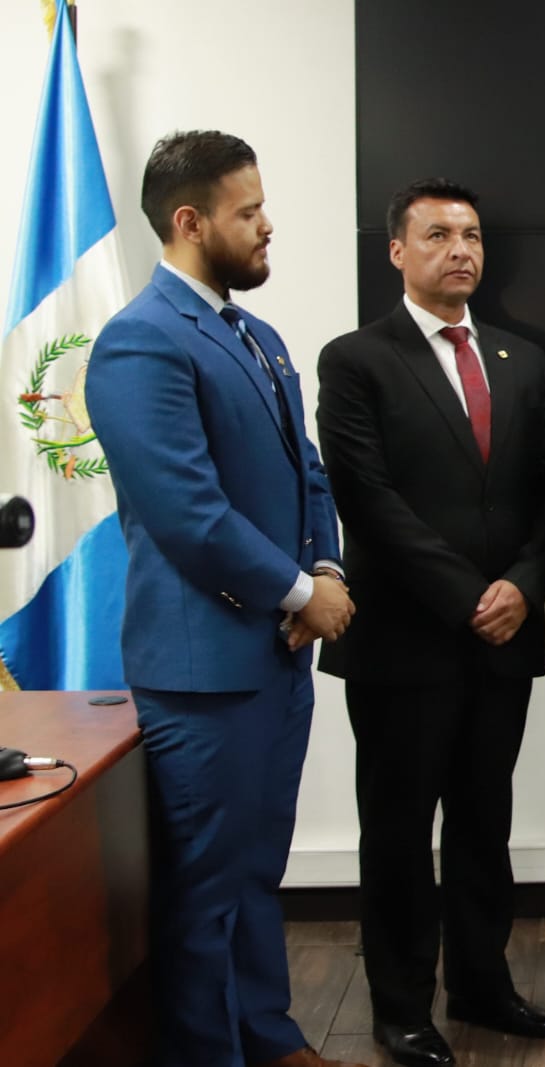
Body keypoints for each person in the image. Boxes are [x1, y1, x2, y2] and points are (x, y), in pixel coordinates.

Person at [84, 131, 362, 1067]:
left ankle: (267, 1035)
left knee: (255, 870)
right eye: (249, 211)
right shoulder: (140, 341)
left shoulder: (257, 337)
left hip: (277, 656)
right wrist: (300, 591)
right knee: (204, 889)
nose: (267, 224)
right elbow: (188, 513)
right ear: (190, 221)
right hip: (203, 673)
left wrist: (327, 571)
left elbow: (308, 474)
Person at [314, 178, 545, 1067]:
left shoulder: (524, 360)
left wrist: (525, 584)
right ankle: (399, 1005)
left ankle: (483, 985)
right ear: (397, 250)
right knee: (396, 829)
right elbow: (366, 499)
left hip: (506, 633)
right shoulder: (356, 359)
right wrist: (469, 595)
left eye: (472, 235)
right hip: (402, 640)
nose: (461, 249)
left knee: (483, 822)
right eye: (437, 234)